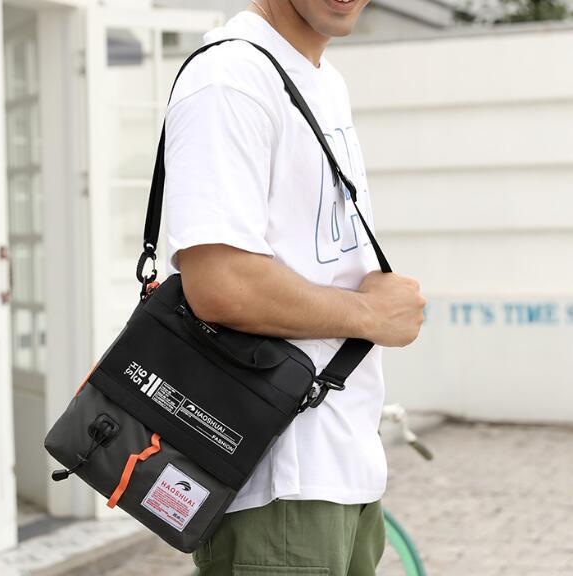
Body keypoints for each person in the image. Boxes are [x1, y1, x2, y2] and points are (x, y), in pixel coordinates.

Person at [164, 1, 425, 574]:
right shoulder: (230, 78)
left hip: (342, 462)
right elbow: (222, 284)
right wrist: (370, 315)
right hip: (281, 480)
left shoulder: (323, 80)